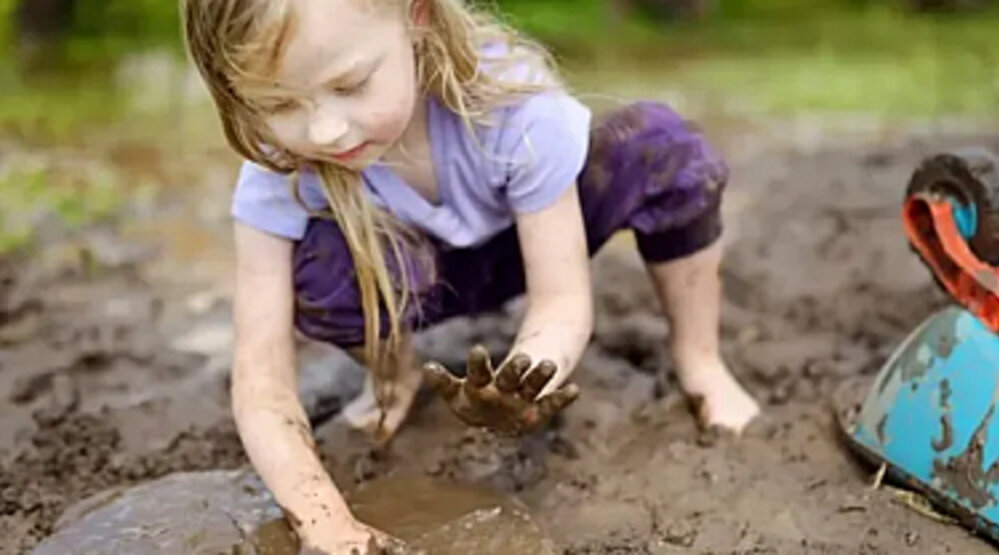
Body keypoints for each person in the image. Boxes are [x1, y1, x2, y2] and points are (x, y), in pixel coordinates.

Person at [182, 0, 760, 551]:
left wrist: (529, 374)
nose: (327, 131)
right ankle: (392, 379)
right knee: (322, 268)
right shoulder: (279, 174)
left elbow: (561, 303)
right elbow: (261, 384)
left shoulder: (510, 100)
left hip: (538, 238)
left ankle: (700, 361)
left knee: (667, 149)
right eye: (281, 106)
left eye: (350, 85)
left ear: (418, 16)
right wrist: (325, 522)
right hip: (411, 277)